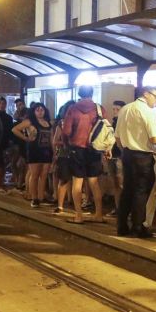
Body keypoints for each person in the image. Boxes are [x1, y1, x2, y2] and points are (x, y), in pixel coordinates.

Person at [115, 87, 156, 238]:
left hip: (127, 155)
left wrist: (126, 148)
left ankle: (122, 225)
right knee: (141, 192)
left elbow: (117, 137)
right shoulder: (147, 111)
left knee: (127, 191)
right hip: (143, 156)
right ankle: (138, 227)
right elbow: (155, 139)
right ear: (146, 94)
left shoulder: (125, 109)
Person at [63, 86, 107, 224]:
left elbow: (66, 131)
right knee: (94, 182)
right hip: (94, 149)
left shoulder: (73, 109)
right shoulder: (100, 109)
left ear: (79, 93)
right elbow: (106, 130)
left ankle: (78, 216)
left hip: (77, 149)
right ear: (92, 93)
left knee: (77, 182)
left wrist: (67, 144)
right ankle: (99, 214)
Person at [13, 103, 54, 208]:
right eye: (37, 110)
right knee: (35, 175)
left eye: (42, 110)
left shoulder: (48, 122)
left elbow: (51, 139)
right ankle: (34, 198)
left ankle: (41, 197)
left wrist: (54, 152)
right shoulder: (30, 122)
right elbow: (15, 129)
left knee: (44, 175)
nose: (40, 112)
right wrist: (26, 138)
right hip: (34, 150)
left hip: (46, 151)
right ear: (34, 111)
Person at [51, 101, 76, 213]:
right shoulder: (61, 124)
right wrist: (66, 143)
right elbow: (55, 141)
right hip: (64, 154)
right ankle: (60, 205)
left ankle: (75, 203)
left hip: (76, 153)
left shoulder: (79, 122)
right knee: (64, 179)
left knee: (77, 180)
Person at [108, 100, 127, 214]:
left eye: (117, 109)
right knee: (114, 183)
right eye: (114, 109)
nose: (115, 111)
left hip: (120, 156)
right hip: (112, 155)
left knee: (122, 183)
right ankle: (118, 207)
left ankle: (124, 209)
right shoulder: (113, 122)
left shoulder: (125, 123)